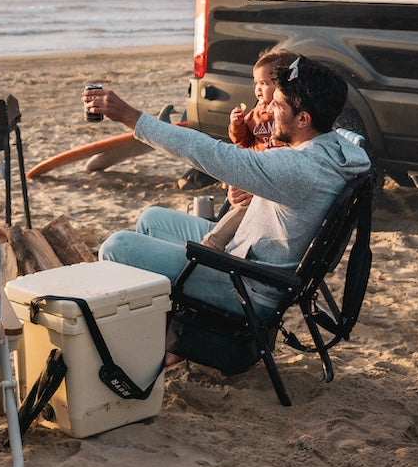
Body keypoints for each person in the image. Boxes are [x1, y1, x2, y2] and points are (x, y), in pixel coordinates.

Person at [82, 55, 370, 332]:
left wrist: (131, 117)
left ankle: (138, 341)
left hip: (245, 285)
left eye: (278, 105)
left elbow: (209, 152)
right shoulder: (336, 149)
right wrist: (259, 195)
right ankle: (175, 328)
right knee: (151, 220)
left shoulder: (297, 167)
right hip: (247, 253)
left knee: (117, 246)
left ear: (304, 119)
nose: (268, 109)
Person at [201, 49, 296, 252]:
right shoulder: (256, 113)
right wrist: (237, 124)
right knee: (238, 198)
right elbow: (242, 141)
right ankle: (219, 236)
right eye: (256, 83)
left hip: (265, 181)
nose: (258, 89)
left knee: (245, 206)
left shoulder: (290, 119)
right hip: (253, 171)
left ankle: (215, 241)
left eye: (264, 83)